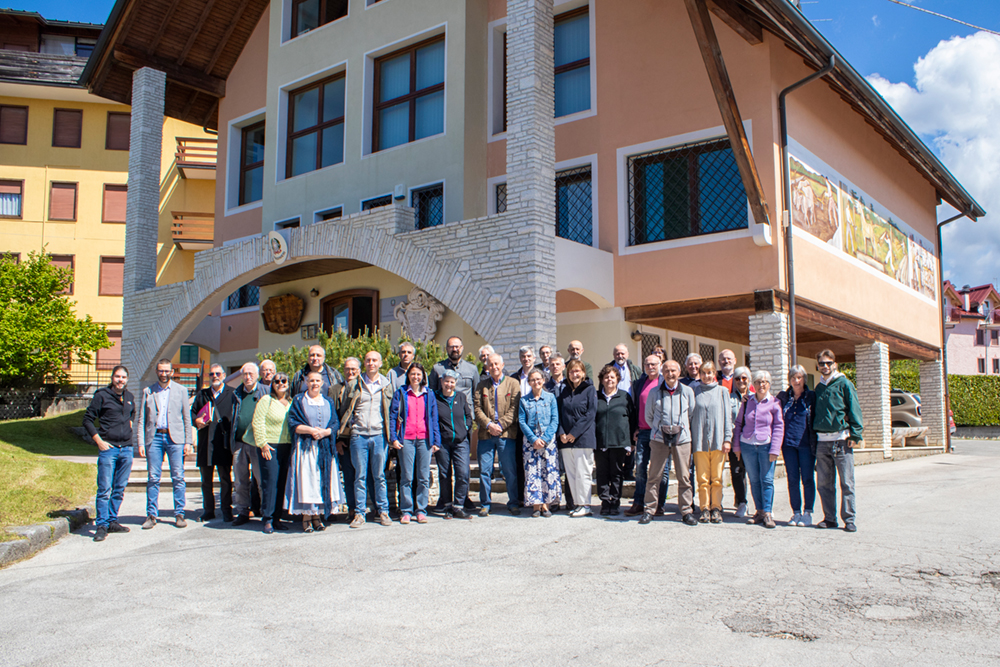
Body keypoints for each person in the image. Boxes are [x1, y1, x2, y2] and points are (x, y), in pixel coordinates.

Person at [339, 351, 394, 528]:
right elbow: (346, 410)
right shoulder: (355, 384)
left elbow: (391, 411)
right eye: (368, 360)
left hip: (379, 436)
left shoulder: (386, 385)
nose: (371, 363)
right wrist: (350, 428)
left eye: (374, 360)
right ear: (365, 362)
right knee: (360, 476)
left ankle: (383, 511)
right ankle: (359, 513)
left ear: (380, 363)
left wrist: (391, 437)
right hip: (359, 436)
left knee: (379, 476)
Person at [137, 359, 193, 530]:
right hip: (154, 439)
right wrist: (140, 442)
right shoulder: (148, 391)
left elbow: (186, 418)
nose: (164, 374)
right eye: (161, 371)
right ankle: (152, 515)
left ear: (172, 372)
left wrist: (188, 441)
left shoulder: (181, 390)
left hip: (175, 439)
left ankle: (179, 513)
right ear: (156, 371)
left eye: (167, 371)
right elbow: (141, 419)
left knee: (178, 477)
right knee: (153, 477)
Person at [286, 372, 345, 532]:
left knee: (320, 481)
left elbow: (334, 422)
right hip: (306, 448)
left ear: (322, 382)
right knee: (308, 481)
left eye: (317, 380)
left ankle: (317, 516)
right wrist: (311, 431)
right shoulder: (299, 400)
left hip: (324, 448)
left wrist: (325, 432)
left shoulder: (328, 401)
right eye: (311, 380)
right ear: (306, 382)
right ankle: (306, 516)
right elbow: (292, 423)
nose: (314, 383)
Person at [83, 365, 135, 542]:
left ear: (127, 379)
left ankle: (113, 521)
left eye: (123, 377)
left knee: (119, 488)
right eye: (117, 377)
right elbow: (88, 419)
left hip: (127, 449)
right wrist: (98, 440)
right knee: (105, 489)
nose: (120, 380)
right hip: (109, 449)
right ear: (112, 378)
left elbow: (132, 414)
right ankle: (102, 525)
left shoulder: (129, 397)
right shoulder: (101, 395)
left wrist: (130, 426)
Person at [813, 349, 863, 532]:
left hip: (841, 441)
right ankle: (829, 518)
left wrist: (855, 434)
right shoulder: (818, 388)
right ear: (817, 365)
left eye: (828, 363)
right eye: (821, 363)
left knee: (846, 482)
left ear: (835, 364)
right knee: (824, 483)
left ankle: (849, 519)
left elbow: (854, 408)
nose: (825, 366)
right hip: (822, 441)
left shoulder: (844, 384)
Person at [640, 360, 695, 526]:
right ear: (662, 373)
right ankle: (649, 510)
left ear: (679, 372)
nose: (670, 374)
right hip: (658, 440)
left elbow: (691, 414)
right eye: (667, 371)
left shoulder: (687, 391)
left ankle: (686, 511)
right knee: (654, 476)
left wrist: (682, 428)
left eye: (673, 370)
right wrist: (658, 429)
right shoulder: (654, 392)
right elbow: (649, 416)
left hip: (682, 440)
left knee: (684, 477)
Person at [428, 336, 479, 513]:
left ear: (462, 348)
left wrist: (469, 424)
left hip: (463, 423)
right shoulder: (437, 368)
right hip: (443, 425)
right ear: (447, 348)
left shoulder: (472, 369)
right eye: (451, 347)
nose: (454, 349)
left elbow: (475, 394)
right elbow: (432, 394)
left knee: (462, 467)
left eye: (457, 346)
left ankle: (462, 499)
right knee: (444, 469)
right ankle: (445, 500)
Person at [389, 362, 441, 524]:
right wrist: (394, 438)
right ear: (408, 376)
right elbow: (393, 416)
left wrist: (436, 440)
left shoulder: (429, 394)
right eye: (413, 374)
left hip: (424, 440)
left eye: (418, 374)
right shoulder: (401, 393)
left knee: (424, 477)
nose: (415, 377)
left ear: (423, 376)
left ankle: (420, 510)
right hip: (407, 440)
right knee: (406, 476)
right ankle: (406, 510)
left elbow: (434, 418)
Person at [732, 370, 785, 529]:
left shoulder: (775, 403)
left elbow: (778, 426)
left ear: (769, 384)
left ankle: (768, 512)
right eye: (758, 382)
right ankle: (759, 511)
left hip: (766, 446)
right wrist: (737, 446)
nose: (761, 385)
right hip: (747, 445)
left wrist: (775, 449)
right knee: (754, 480)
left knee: (767, 480)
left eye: (764, 382)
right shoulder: (747, 401)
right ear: (753, 385)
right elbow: (739, 424)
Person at [473, 353, 522, 516]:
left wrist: (499, 425)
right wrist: (488, 425)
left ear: (502, 365)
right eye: (490, 364)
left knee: (509, 470)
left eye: (496, 364)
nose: (494, 367)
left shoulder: (513, 383)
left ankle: (513, 502)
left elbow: (515, 408)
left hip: (506, 434)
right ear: (487, 366)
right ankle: (485, 503)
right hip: (486, 435)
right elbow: (477, 408)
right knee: (485, 471)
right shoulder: (481, 385)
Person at [625, 355, 671, 517]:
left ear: (660, 365)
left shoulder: (664, 383)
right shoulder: (639, 383)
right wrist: (636, 427)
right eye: (647, 364)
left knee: (663, 471)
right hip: (643, 432)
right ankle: (639, 502)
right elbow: (636, 406)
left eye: (653, 364)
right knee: (640, 470)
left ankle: (659, 504)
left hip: (661, 432)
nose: (650, 366)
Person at [191, 364, 235, 522]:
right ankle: (208, 510)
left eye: (218, 373)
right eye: (212, 374)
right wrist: (196, 421)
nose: (215, 376)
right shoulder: (202, 394)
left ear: (224, 375)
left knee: (225, 479)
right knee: (206, 481)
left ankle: (226, 510)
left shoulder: (232, 393)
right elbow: (193, 414)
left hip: (223, 444)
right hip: (206, 443)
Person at [690, 361, 733, 524]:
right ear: (699, 374)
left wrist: (727, 439)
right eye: (703, 373)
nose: (706, 376)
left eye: (710, 372)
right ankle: (704, 509)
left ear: (715, 373)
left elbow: (727, 418)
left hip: (718, 441)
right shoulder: (694, 391)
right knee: (702, 478)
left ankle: (716, 507)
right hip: (700, 441)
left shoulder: (722, 391)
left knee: (716, 478)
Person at [252, 373, 293, 534]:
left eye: (284, 381)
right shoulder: (266, 401)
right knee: (270, 483)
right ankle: (267, 518)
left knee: (282, 482)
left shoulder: (290, 402)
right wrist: (263, 444)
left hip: (287, 447)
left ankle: (277, 518)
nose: (280, 383)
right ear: (272, 384)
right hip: (270, 447)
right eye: (277, 381)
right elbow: (258, 421)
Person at [594, 365, 636, 516]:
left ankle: (615, 502)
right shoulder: (596, 397)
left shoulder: (625, 397)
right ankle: (605, 502)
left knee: (617, 473)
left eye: (612, 377)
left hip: (619, 441)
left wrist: (631, 442)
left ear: (617, 379)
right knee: (602, 473)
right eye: (606, 377)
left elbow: (632, 420)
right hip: (600, 442)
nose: (609, 380)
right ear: (602, 380)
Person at [778, 365, 817, 527]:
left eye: (799, 377)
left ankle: (808, 512)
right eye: (793, 378)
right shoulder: (783, 397)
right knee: (792, 479)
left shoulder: (810, 397)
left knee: (807, 478)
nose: (796, 380)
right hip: (788, 445)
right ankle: (796, 512)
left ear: (804, 379)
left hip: (806, 444)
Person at [557, 359, 597, 517]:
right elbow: (559, 413)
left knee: (583, 473)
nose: (574, 374)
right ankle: (577, 503)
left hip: (583, 438)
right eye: (571, 371)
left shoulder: (590, 389)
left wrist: (574, 433)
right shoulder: (564, 390)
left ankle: (585, 504)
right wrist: (562, 433)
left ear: (583, 373)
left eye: (577, 371)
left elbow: (590, 414)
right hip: (565, 440)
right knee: (571, 474)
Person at [518, 368, 560, 517]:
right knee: (532, 472)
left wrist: (545, 438)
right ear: (529, 382)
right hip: (530, 441)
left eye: (538, 379)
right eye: (532, 380)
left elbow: (555, 420)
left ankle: (546, 505)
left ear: (543, 380)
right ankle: (536, 506)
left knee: (548, 470)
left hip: (548, 441)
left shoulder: (550, 398)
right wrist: (533, 439)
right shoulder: (524, 400)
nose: (536, 382)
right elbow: (522, 422)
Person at [230, 362, 268, 526]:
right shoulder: (236, 393)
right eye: (245, 374)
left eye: (251, 373)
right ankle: (243, 511)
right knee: (240, 481)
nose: (248, 377)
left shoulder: (265, 392)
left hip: (259, 444)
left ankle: (267, 513)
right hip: (239, 443)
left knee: (261, 480)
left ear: (257, 375)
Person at [434, 370, 474, 519]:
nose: (449, 384)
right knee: (444, 474)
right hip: (443, 442)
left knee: (463, 473)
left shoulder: (461, 397)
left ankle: (458, 506)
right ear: (442, 381)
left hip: (460, 441)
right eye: (447, 381)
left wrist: (465, 429)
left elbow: (468, 416)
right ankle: (447, 506)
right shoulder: (435, 397)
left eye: (452, 382)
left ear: (455, 383)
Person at [334, 357, 363, 522]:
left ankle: (367, 508)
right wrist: (337, 439)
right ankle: (352, 509)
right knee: (349, 475)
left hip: (363, 438)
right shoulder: (335, 389)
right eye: (347, 369)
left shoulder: (364, 387)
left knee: (365, 475)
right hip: (344, 441)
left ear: (359, 370)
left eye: (354, 369)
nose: (350, 372)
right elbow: (333, 415)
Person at [728, 366, 752, 518]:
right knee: (737, 472)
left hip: (752, 441)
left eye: (744, 378)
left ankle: (763, 505)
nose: (741, 381)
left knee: (755, 474)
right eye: (737, 378)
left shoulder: (755, 397)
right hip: (734, 440)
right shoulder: (728, 398)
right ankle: (741, 502)